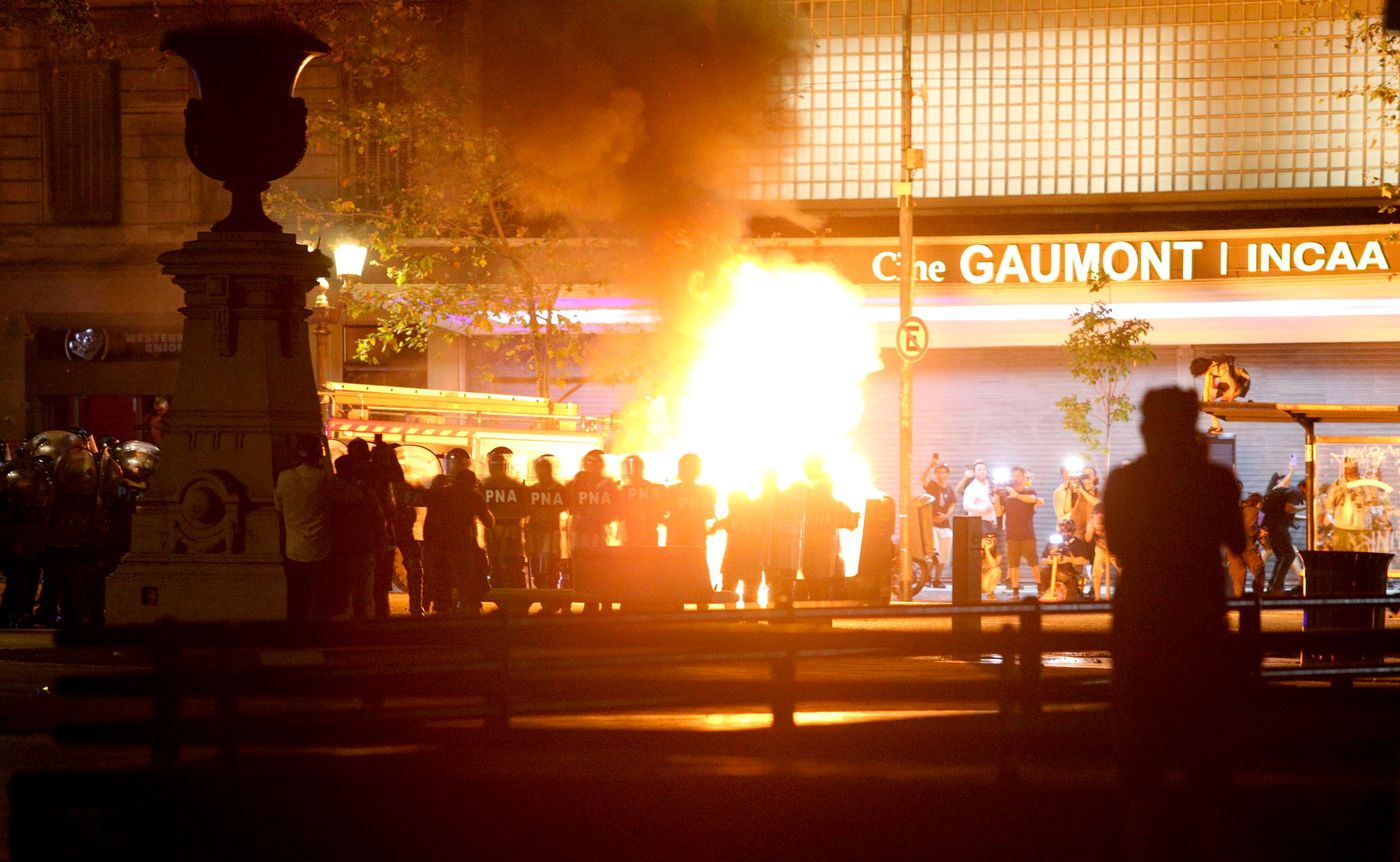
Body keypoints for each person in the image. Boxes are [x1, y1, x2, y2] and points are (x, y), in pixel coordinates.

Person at [1102, 387, 1245, 862]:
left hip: (1141, 620)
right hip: (1199, 623)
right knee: (1207, 761)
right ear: (1192, 429)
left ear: (1145, 428)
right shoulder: (1215, 481)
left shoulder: (1124, 482)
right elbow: (1235, 539)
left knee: (1141, 763)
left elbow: (1119, 542)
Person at [274, 435, 336, 623]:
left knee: (296, 598)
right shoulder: (323, 479)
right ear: (317, 454)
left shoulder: (284, 478)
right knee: (320, 600)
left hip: (293, 550)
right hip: (320, 550)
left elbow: (279, 509)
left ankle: (295, 635)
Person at [422, 466, 494, 615]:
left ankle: (442, 609)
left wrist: (428, 542)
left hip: (440, 544)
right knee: (469, 580)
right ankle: (470, 608)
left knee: (442, 581)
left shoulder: (440, 494)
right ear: (472, 483)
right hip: (463, 546)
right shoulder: (473, 497)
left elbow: (429, 520)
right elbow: (489, 522)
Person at [328, 455, 387, 620]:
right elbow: (378, 521)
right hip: (363, 548)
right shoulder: (366, 494)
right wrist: (380, 545)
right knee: (362, 594)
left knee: (341, 593)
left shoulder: (329, 491)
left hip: (338, 550)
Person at [799, 457, 858, 601]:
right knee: (817, 581)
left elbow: (850, 523)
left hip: (820, 547)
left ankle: (820, 615)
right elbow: (851, 523)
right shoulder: (814, 494)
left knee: (818, 582)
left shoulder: (815, 489)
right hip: (819, 546)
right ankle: (821, 615)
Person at [481, 446, 528, 589]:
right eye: (495, 464)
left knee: (512, 563)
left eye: (500, 464)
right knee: (495, 564)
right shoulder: (485, 485)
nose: (497, 467)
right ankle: (501, 596)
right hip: (493, 529)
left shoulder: (516, 486)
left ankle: (515, 597)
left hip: (511, 529)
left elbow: (525, 509)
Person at [711, 490, 765, 605]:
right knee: (750, 595)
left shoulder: (729, 519)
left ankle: (730, 619)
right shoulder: (759, 518)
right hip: (752, 561)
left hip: (733, 561)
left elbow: (713, 529)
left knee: (729, 594)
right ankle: (751, 618)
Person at [525, 454, 567, 594]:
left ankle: (550, 600)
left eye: (543, 469)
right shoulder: (532, 490)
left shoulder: (558, 489)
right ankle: (545, 599)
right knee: (537, 570)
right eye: (539, 469)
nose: (541, 472)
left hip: (551, 532)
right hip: (535, 533)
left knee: (550, 569)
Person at [998, 466, 1041, 597]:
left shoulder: (1029, 492)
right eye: (1014, 475)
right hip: (1011, 533)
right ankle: (1015, 591)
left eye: (1018, 475)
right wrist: (996, 495)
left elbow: (1034, 500)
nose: (1016, 478)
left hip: (1028, 533)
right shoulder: (1005, 494)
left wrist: (1016, 495)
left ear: (1023, 477)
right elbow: (999, 512)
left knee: (1033, 562)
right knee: (1013, 564)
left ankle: (1040, 588)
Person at [1260, 477, 1305, 594]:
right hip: (1277, 528)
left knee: (1281, 556)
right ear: (1304, 487)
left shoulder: (1289, 491)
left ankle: (1273, 587)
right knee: (1289, 555)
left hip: (1271, 527)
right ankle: (1276, 587)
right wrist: (1307, 506)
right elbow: (1289, 508)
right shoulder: (1297, 492)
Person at [663, 453, 717, 548]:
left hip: (683, 540)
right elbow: (710, 514)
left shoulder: (671, 490)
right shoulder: (707, 491)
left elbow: (662, 514)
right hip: (690, 540)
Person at [919, 458, 957, 587]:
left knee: (944, 554)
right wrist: (930, 466)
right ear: (936, 474)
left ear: (947, 474)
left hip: (945, 525)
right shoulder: (932, 485)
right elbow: (922, 479)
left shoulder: (950, 489)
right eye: (939, 472)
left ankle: (937, 579)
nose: (941, 475)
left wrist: (946, 515)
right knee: (931, 552)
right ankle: (926, 578)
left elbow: (952, 503)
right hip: (931, 524)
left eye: (943, 472)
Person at [1039, 517, 1093, 602]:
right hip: (1053, 571)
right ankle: (1045, 591)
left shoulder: (1078, 542)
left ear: (1073, 531)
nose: (1065, 535)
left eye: (1068, 532)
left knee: (1069, 600)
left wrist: (1068, 559)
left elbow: (1084, 560)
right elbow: (1042, 560)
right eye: (1062, 532)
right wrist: (1048, 560)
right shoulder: (1053, 542)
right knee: (1043, 572)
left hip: (1070, 574)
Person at [1326, 458, 1374, 551]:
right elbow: (1329, 505)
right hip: (1341, 527)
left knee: (1362, 557)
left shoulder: (1365, 484)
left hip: (1361, 527)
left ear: (1357, 468)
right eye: (1347, 468)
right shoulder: (1337, 484)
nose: (1349, 471)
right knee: (1342, 557)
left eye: (1352, 468)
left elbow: (1372, 503)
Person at [617, 454, 664, 547]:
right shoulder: (618, 489)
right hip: (630, 537)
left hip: (646, 537)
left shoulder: (619, 489)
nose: (632, 471)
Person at [1226, 490, 1266, 597]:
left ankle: (1239, 600)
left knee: (1239, 575)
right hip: (1247, 547)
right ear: (1258, 503)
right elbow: (1249, 528)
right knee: (1259, 569)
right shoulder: (1252, 511)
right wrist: (1260, 531)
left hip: (1231, 547)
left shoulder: (1239, 509)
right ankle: (1258, 597)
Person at [1084, 504, 1116, 601]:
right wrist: (1090, 532)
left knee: (1123, 569)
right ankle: (1097, 598)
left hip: (1114, 549)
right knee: (1096, 572)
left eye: (1100, 515)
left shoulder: (1114, 520)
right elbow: (1087, 538)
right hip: (1100, 548)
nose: (1098, 517)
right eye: (1096, 514)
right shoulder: (1092, 522)